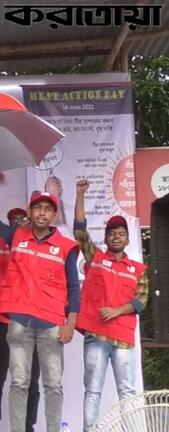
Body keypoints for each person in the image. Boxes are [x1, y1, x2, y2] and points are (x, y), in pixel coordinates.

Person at [0, 172, 80, 432]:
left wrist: (71, 322)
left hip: (51, 324)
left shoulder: (66, 246)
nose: (43, 213)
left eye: (48, 209)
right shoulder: (15, 235)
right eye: (38, 208)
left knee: (52, 384)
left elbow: (73, 287)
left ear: (54, 215)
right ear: (30, 212)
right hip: (20, 323)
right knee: (19, 383)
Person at [74, 179, 148, 431]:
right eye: (112, 233)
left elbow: (141, 301)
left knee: (127, 391)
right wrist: (80, 194)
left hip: (123, 339)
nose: (116, 237)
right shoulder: (94, 256)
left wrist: (117, 311)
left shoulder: (138, 269)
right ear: (106, 238)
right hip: (96, 334)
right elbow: (80, 231)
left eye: (121, 233)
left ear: (127, 239)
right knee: (92, 390)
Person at [0, 175, 41, 432]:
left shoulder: (40, 244)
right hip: (4, 319)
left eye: (20, 219)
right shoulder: (1, 238)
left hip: (32, 319)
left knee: (30, 379)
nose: (16, 223)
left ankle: (27, 426)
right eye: (12, 220)